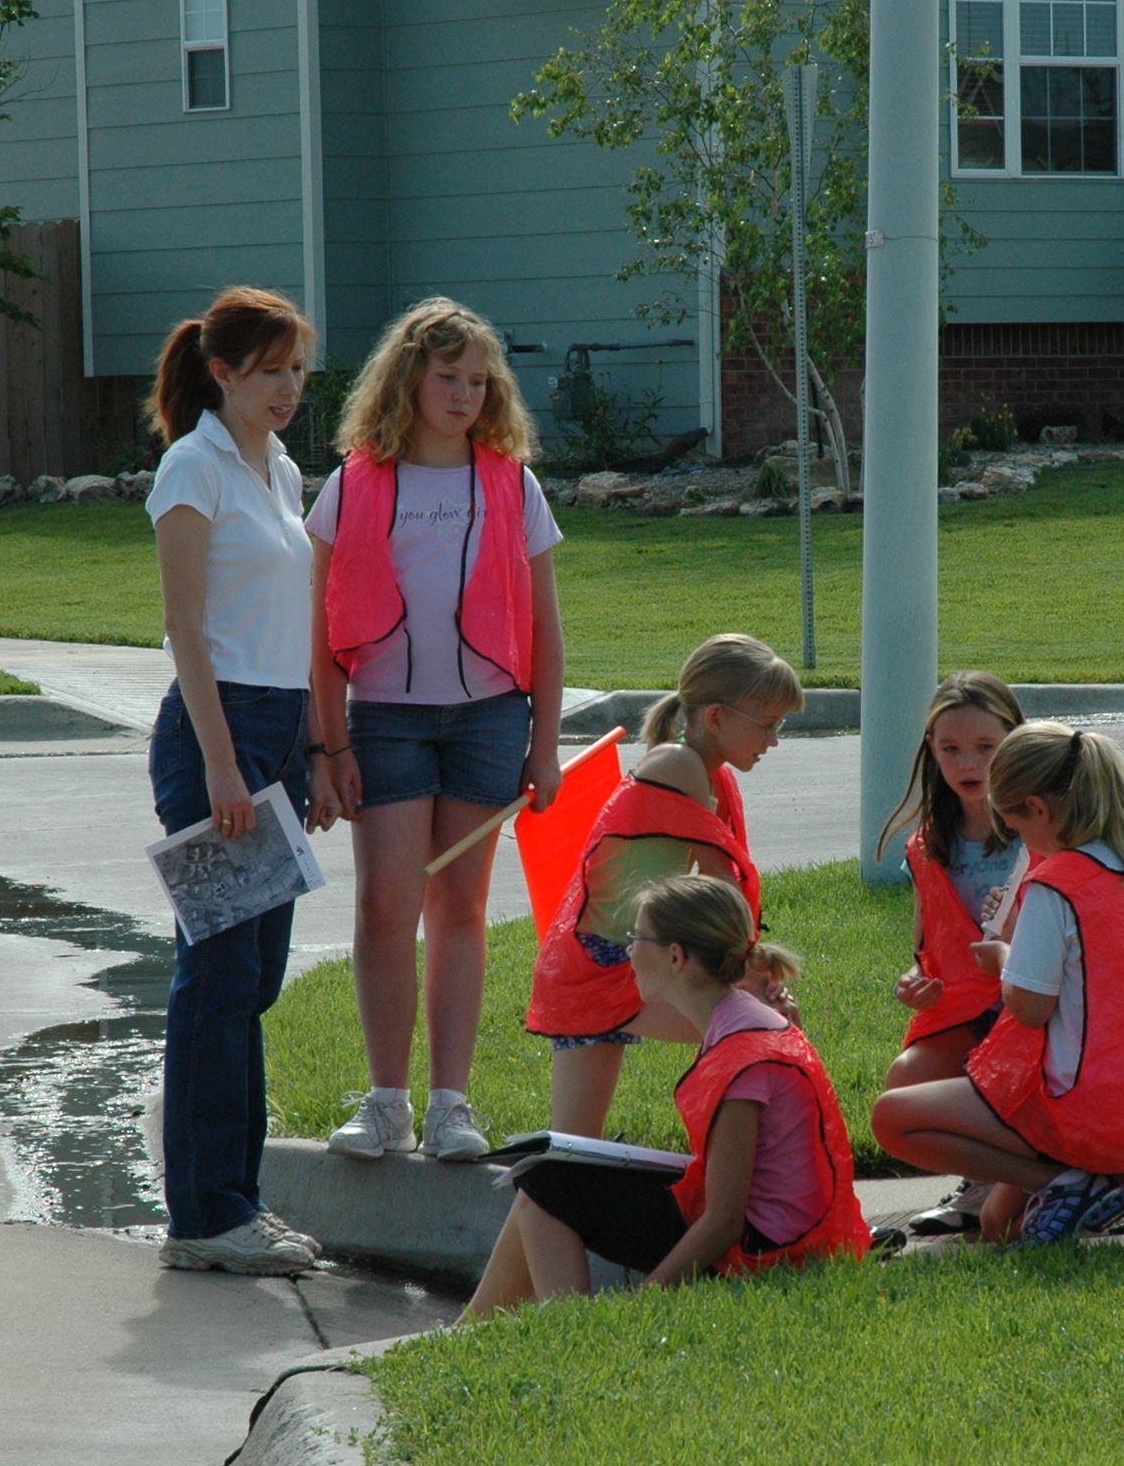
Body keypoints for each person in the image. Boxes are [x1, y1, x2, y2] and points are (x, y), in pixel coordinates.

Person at [305, 298, 566, 1165]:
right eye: (447, 377)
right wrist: (330, 745)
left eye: (478, 381)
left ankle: (452, 1106)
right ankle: (387, 1103)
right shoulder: (352, 485)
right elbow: (321, 634)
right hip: (384, 720)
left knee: (461, 906)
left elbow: (546, 628)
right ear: (407, 379)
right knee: (386, 903)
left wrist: (544, 744)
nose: (463, 394)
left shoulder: (513, 484)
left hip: (490, 719)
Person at [870, 722, 1124, 1247]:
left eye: (1015, 825)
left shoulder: (1055, 887)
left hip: (1075, 1105)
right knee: (999, 1224)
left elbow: (1030, 1008)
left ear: (1038, 810)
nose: (1019, 839)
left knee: (893, 1116)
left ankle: (1070, 1179)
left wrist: (1005, 958)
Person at [144, 286, 327, 1276]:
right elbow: (186, 626)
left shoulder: (281, 470)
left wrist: (314, 754)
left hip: (278, 732)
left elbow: (293, 627)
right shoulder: (192, 466)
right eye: (270, 371)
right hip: (212, 738)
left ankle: (237, 1201)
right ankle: (206, 1216)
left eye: (297, 368)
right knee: (216, 978)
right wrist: (221, 763)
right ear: (221, 373)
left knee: (252, 982)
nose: (289, 387)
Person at [469, 873, 872, 1314]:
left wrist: (644, 1301)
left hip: (765, 1253)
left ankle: (571, 1324)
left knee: (548, 1185)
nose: (628, 952)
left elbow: (724, 1222)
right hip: (778, 1236)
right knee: (548, 1177)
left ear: (676, 956)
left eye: (636, 938)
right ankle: (478, 1325)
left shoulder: (742, 1057)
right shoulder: (744, 1023)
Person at [524, 632, 800, 1135]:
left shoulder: (705, 772)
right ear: (716, 717)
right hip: (603, 961)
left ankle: (740, 1161)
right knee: (760, 1025)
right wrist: (749, 970)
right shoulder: (681, 766)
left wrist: (751, 969)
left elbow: (716, 898)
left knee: (576, 1143)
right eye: (767, 724)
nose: (774, 740)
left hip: (620, 951)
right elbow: (720, 888)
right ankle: (741, 1167)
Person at [875, 671, 1028, 1237]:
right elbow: (929, 947)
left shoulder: (1042, 829)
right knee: (905, 1083)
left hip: (1037, 1008)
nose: (969, 763)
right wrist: (916, 982)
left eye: (986, 747)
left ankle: (1042, 1179)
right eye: (951, 749)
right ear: (931, 751)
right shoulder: (928, 844)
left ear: (1017, 743)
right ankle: (995, 1180)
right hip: (966, 1011)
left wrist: (1018, 934)